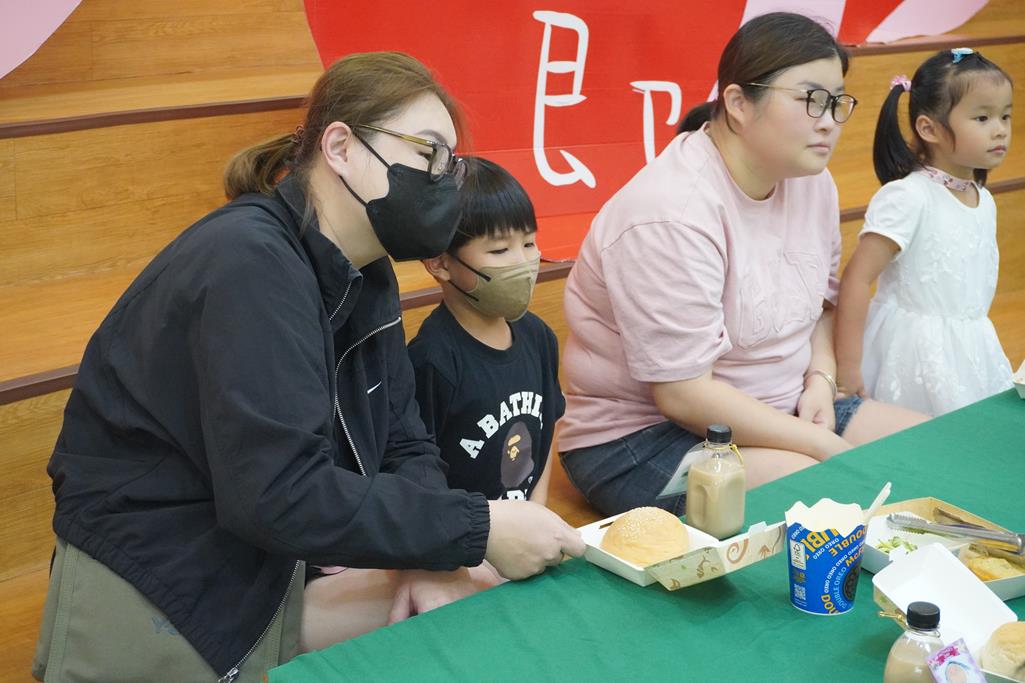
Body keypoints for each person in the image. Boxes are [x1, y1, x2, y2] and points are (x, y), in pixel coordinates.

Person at [34, 52, 583, 683]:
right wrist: (474, 528)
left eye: (449, 163)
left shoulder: (366, 268)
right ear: (341, 148)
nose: (443, 181)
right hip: (170, 566)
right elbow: (278, 494)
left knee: (467, 588)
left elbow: (404, 441)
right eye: (427, 153)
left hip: (272, 553)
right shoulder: (249, 262)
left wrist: (434, 553)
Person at [557, 13, 927, 517]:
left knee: (934, 454)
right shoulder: (671, 212)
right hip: (647, 440)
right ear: (737, 103)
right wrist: (820, 445)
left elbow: (820, 306)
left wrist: (821, 379)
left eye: (837, 102)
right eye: (810, 99)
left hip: (783, 407)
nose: (828, 121)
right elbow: (683, 395)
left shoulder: (813, 182)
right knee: (842, 505)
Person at [405, 157, 564, 586]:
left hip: (526, 542)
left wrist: (536, 515)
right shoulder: (431, 360)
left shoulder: (539, 337)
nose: (523, 262)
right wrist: (467, 556)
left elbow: (549, 429)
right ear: (439, 262)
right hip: (466, 557)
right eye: (499, 251)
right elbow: (416, 480)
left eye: (529, 243)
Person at [834, 48, 1014, 415]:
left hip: (968, 351)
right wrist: (848, 369)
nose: (1000, 129)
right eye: (982, 117)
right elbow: (856, 279)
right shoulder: (909, 197)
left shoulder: (983, 198)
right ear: (928, 129)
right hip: (910, 355)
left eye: (1005, 116)